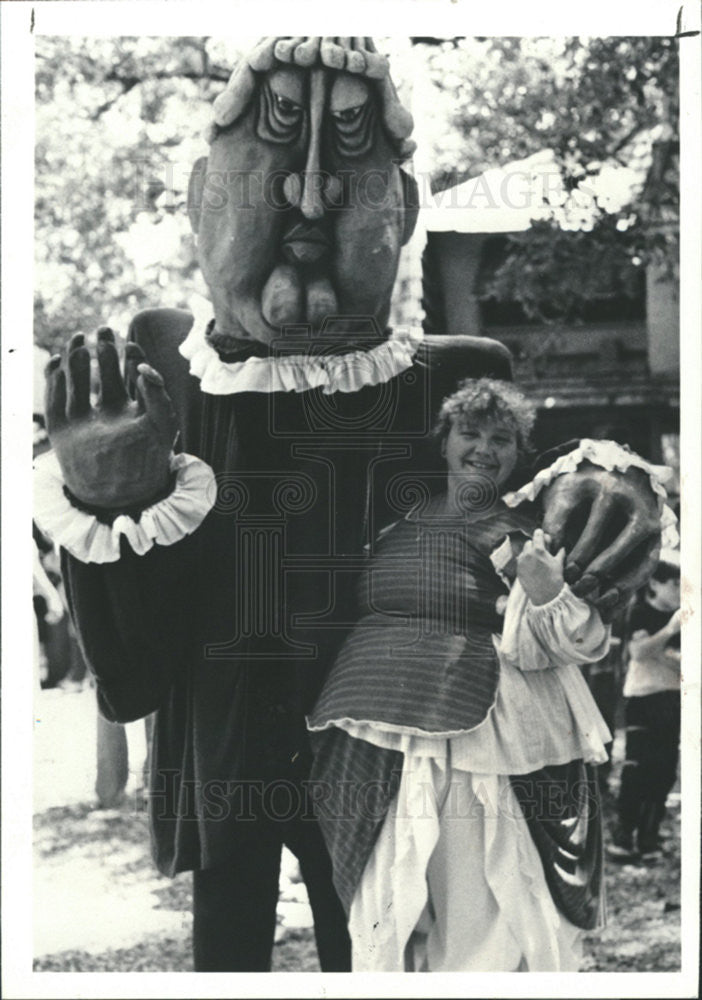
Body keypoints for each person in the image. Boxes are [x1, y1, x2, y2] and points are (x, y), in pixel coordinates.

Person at [34, 37, 670, 972]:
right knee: (229, 944)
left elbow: (525, 511)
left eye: (351, 151)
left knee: (374, 936)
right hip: (230, 737)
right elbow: (132, 674)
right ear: (199, 199)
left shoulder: (452, 382)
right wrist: (108, 500)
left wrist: (609, 494)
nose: (312, 192)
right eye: (280, 139)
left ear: (405, 210)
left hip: (395, 731)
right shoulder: (162, 373)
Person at [308, 378, 620, 971]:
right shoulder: (394, 523)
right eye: (470, 432)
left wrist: (547, 590)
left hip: (478, 741)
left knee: (475, 898)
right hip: (377, 737)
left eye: (502, 438)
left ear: (519, 454)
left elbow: (573, 642)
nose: (484, 448)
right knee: (396, 901)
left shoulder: (522, 535)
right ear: (443, 441)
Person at [607, 550, 681, 862]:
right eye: (675, 585)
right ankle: (623, 837)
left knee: (663, 772)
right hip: (642, 698)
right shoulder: (639, 612)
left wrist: (662, 651)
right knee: (637, 769)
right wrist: (669, 633)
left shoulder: (686, 616)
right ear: (656, 583)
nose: (680, 592)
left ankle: (648, 840)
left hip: (672, 699)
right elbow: (638, 652)